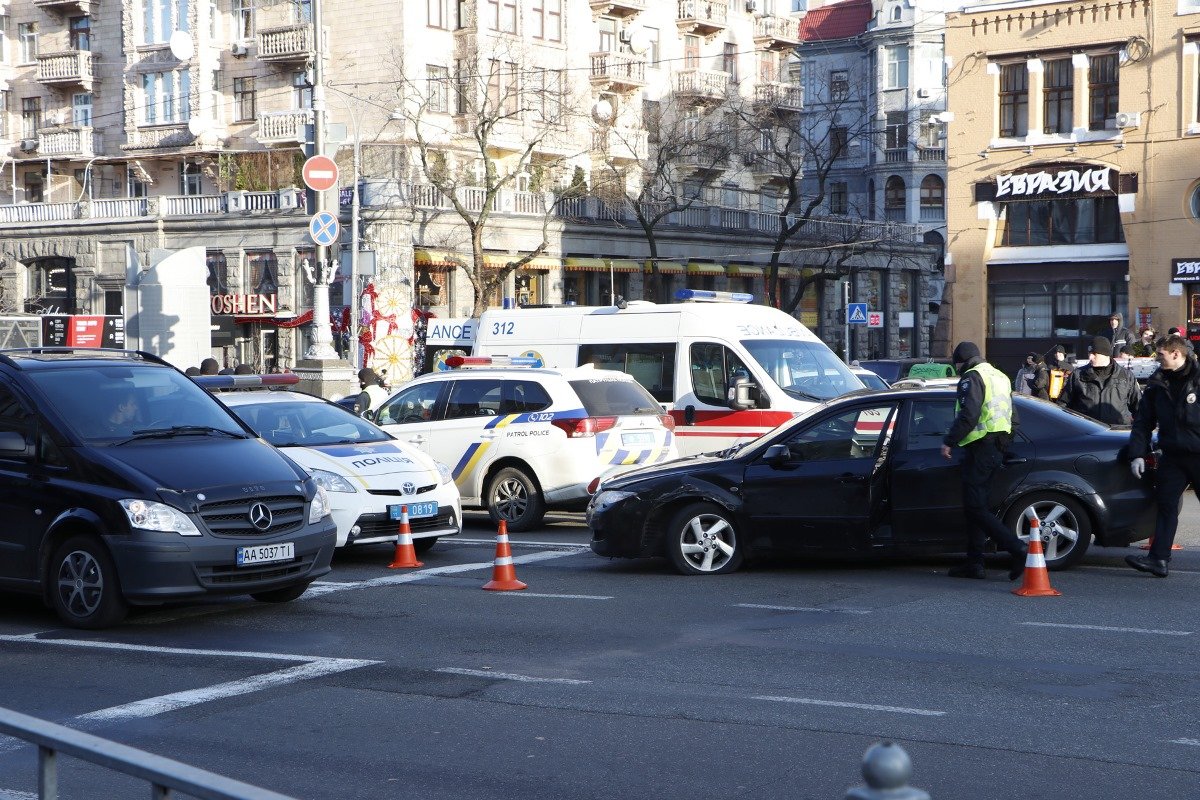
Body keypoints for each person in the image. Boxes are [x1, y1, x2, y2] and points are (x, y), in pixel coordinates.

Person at [940, 341, 1029, 581]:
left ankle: (1017, 548)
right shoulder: (999, 376)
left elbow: (969, 415)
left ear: (961, 361)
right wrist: (1003, 443)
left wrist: (949, 441)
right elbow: (1014, 418)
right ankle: (975, 563)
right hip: (995, 448)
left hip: (980, 448)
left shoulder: (972, 376)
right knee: (978, 507)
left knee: (975, 507)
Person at [1126, 333, 1200, 578]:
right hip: (1172, 456)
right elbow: (1143, 422)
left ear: (1176, 354)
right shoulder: (1157, 384)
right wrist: (1137, 454)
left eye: (1161, 355)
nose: (1157, 360)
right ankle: (1158, 559)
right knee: (1166, 505)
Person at [1056, 336, 1141, 425]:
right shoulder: (1078, 375)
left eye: (1094, 354)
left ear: (1106, 354)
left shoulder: (1126, 376)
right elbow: (1063, 405)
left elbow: (1139, 408)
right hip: (1087, 433)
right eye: (1089, 353)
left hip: (1117, 434)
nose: (1090, 357)